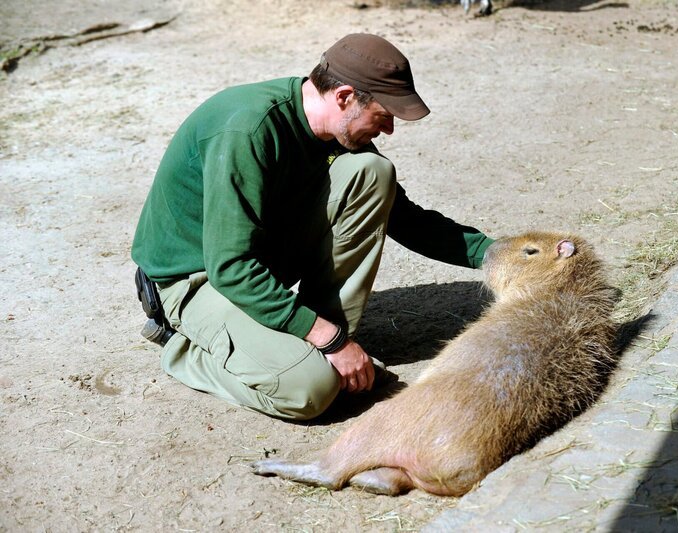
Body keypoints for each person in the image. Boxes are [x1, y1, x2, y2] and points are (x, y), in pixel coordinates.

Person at [131, 33, 494, 420]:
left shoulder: (338, 133)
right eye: (385, 114)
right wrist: (331, 340)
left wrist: (498, 253)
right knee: (309, 390)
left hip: (256, 260)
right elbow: (230, 267)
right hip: (195, 280)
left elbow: (404, 218)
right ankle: (185, 348)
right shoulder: (247, 130)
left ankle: (314, 345)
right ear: (345, 96)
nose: (388, 129)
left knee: (372, 173)